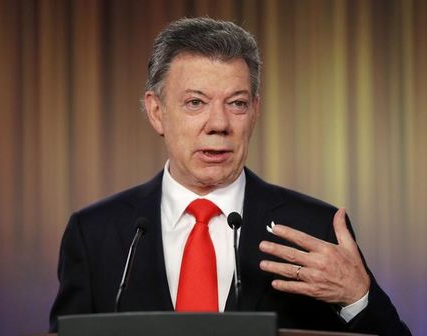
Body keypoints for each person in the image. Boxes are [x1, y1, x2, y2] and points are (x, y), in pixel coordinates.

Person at [49, 17, 411, 335]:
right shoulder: (94, 233)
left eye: (236, 103)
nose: (219, 124)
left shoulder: (316, 228)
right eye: (195, 103)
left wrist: (357, 297)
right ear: (156, 111)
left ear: (254, 112)